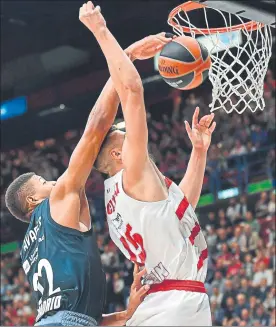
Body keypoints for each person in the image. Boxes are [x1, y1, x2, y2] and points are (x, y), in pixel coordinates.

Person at [4, 9, 173, 325]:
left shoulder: (31, 251)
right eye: (42, 180)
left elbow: (80, 318)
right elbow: (96, 127)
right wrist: (129, 55)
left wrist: (128, 314)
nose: (53, 180)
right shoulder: (58, 200)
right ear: (31, 200)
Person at [80, 2, 216, 325]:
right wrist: (105, 33)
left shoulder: (124, 194)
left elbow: (181, 209)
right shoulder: (133, 172)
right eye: (122, 137)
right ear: (117, 155)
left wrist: (198, 152)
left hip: (165, 303)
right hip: (173, 306)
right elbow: (131, 90)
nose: (131, 135)